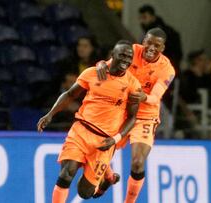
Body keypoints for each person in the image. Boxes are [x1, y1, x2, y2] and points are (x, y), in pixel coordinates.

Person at [37, 40, 142, 203]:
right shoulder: (92, 73)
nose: (126, 60)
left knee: (85, 193)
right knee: (66, 174)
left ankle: (107, 177)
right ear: (112, 56)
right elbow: (70, 94)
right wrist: (51, 114)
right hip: (81, 130)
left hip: (104, 141)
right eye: (122, 55)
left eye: (129, 57)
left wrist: (116, 139)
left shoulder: (133, 85)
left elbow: (132, 117)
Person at [95, 28, 175, 202]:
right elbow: (109, 65)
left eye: (157, 45)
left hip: (145, 115)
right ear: (143, 40)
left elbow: (155, 98)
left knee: (138, 162)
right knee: (97, 147)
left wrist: (144, 97)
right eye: (149, 42)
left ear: (162, 48)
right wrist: (100, 64)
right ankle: (108, 177)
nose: (151, 47)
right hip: (121, 111)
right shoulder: (132, 51)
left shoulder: (167, 69)